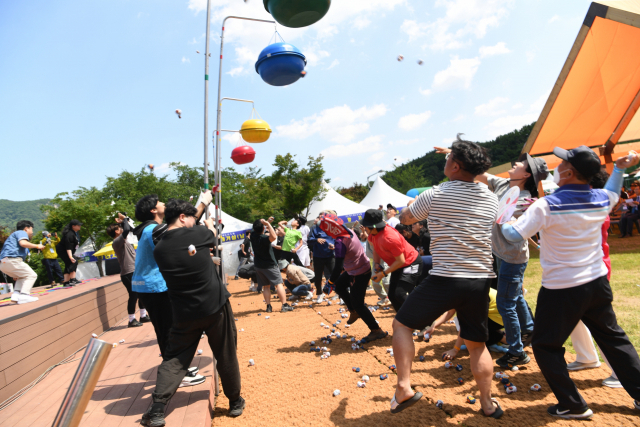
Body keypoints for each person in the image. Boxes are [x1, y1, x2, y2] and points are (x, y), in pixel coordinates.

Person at [501, 146, 640, 419]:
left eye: (562, 162)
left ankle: (573, 404)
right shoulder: (601, 199)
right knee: (614, 339)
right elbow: (612, 189)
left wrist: (506, 217)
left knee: (544, 345)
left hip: (562, 288)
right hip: (597, 282)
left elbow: (513, 235)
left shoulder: (546, 204)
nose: (557, 166)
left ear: (568, 172)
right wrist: (620, 168)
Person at [392, 136, 500, 417]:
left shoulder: (435, 194)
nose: (445, 161)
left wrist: (405, 212)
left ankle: (403, 387)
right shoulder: (491, 198)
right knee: (477, 346)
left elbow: (406, 219)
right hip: (480, 280)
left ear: (455, 166)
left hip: (446, 277)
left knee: (402, 325)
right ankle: (487, 404)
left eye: (448, 159)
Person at [142, 199, 243, 425]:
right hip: (214, 306)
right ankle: (235, 401)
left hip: (183, 312)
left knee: (174, 360)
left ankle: (157, 409)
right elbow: (212, 234)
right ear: (181, 217)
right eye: (191, 219)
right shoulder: (198, 234)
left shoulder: (159, 249)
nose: (192, 222)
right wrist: (207, 222)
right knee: (225, 353)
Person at [452, 150, 548, 368]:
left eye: (520, 164)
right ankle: (530, 329)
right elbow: (481, 174)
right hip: (500, 253)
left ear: (525, 175)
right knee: (514, 297)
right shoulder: (505, 184)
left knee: (506, 304)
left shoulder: (525, 201)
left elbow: (512, 231)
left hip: (512, 257)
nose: (515, 163)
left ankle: (517, 351)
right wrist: (457, 153)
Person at [132, 193, 210, 388]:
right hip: (155, 287)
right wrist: (203, 203)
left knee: (168, 329)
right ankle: (176, 374)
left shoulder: (149, 230)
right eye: (160, 203)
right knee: (169, 330)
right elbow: (182, 231)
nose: (164, 203)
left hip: (150, 287)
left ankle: (178, 367)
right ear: (153, 210)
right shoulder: (154, 229)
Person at [322, 217, 388, 343]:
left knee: (358, 303)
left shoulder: (340, 242)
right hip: (357, 269)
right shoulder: (349, 231)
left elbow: (337, 267)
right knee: (340, 285)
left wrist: (329, 283)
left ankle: (376, 330)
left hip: (359, 272)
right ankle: (353, 311)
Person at [362, 209, 422, 313]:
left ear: (373, 226)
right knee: (392, 295)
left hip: (411, 263)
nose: (364, 227)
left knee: (400, 293)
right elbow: (375, 248)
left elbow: (401, 261)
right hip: (399, 265)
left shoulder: (389, 237)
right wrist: (376, 264)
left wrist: (383, 273)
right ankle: (403, 320)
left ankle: (424, 319)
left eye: (366, 225)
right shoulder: (373, 234)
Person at [426, 288, 509, 360]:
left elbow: (466, 325)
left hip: (502, 317)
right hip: (497, 313)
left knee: (472, 336)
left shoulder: (465, 297)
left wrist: (455, 349)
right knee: (470, 336)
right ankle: (500, 337)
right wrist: (433, 326)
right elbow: (450, 312)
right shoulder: (458, 292)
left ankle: (503, 339)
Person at [106, 213, 149, 328]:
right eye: (118, 228)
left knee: (142, 293)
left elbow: (130, 229)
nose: (120, 228)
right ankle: (131, 320)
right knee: (133, 295)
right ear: (116, 232)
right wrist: (123, 219)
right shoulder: (117, 242)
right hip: (128, 273)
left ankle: (143, 316)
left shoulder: (122, 240)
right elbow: (125, 230)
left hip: (135, 270)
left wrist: (124, 220)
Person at [250, 218, 294, 313]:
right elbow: (274, 237)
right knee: (279, 284)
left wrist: (266, 223)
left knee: (266, 286)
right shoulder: (264, 238)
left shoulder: (253, 235)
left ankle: (268, 307)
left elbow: (260, 230)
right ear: (263, 228)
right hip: (270, 265)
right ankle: (284, 305)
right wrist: (267, 224)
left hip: (258, 265)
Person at [0, 220, 44, 304]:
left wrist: (15, 272)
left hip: (3, 263)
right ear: (26, 228)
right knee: (32, 275)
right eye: (31, 229)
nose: (32, 232)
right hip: (13, 260)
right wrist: (37, 246)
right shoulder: (21, 232)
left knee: (23, 276)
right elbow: (23, 243)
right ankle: (24, 295)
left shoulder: (13, 236)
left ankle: (16, 295)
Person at [307, 213, 336, 303]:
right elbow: (309, 241)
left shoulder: (332, 229)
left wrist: (334, 246)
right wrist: (316, 240)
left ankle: (339, 294)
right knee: (318, 276)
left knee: (335, 275)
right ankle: (319, 294)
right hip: (318, 256)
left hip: (330, 256)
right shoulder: (315, 228)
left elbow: (338, 240)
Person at [58, 219, 83, 286]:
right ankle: (72, 279)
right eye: (78, 225)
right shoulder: (69, 234)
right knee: (73, 261)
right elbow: (68, 247)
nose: (80, 226)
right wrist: (70, 256)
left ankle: (66, 282)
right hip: (63, 250)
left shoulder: (75, 233)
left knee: (68, 263)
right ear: (73, 226)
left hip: (68, 250)